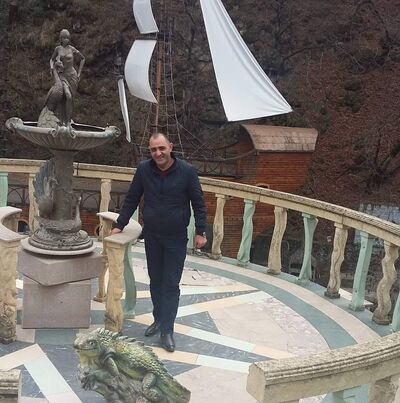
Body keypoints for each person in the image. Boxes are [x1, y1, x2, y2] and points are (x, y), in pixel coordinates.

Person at [112, 133, 207, 352]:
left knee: (170, 284)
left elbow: (198, 203)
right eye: (154, 149)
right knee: (155, 280)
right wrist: (120, 223)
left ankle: (167, 330)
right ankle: (159, 318)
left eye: (162, 148)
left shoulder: (187, 172)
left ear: (170, 147)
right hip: (152, 235)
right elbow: (132, 198)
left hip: (176, 237)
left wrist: (200, 231)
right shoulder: (144, 170)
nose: (158, 153)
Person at [49, 29, 85, 128]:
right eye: (64, 38)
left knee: (70, 99)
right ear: (61, 38)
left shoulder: (72, 49)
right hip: (63, 75)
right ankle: (63, 120)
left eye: (68, 38)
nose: (66, 40)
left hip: (72, 76)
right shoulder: (58, 49)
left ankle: (67, 121)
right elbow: (52, 60)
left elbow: (83, 58)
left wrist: (79, 73)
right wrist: (52, 68)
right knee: (67, 96)